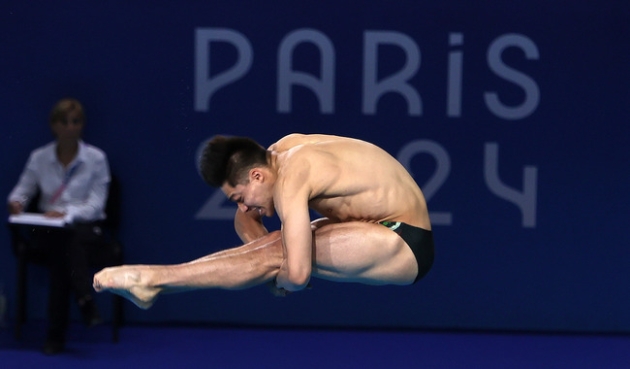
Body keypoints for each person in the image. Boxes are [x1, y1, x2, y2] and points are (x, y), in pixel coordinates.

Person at [93, 133, 434, 309]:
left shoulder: (291, 177)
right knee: (276, 248)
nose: (244, 205)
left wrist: (278, 276)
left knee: (277, 252)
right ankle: (153, 281)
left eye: (240, 196)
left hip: (405, 241)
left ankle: (154, 280)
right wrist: (270, 267)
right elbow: (245, 220)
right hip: (379, 228)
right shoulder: (281, 152)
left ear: (256, 176)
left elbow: (298, 276)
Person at [7, 98, 111, 355]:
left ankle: (54, 337)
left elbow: (97, 206)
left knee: (66, 247)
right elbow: (21, 192)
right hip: (46, 230)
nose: (70, 127)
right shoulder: (39, 157)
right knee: (63, 245)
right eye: (64, 122)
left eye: (76, 122)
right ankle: (85, 300)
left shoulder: (96, 159)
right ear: (54, 126)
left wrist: (66, 213)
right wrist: (17, 203)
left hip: (85, 229)